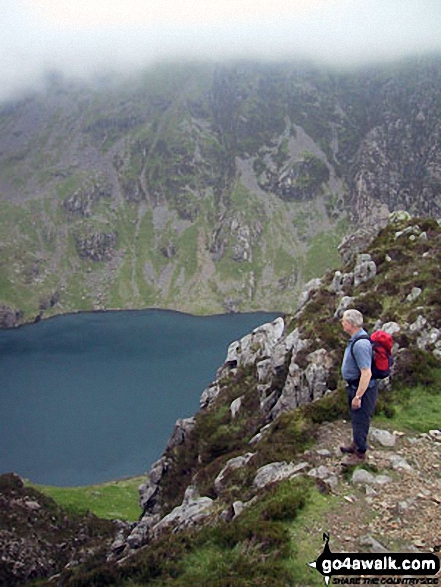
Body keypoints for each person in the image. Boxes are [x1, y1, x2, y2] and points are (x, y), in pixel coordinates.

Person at [340, 309, 378, 464]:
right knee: (356, 418)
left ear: (350, 324)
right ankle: (356, 444)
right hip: (354, 386)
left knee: (361, 419)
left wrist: (358, 396)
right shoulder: (356, 339)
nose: (342, 323)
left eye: (343, 321)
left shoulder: (360, 344)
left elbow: (366, 372)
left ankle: (360, 454)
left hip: (361, 390)